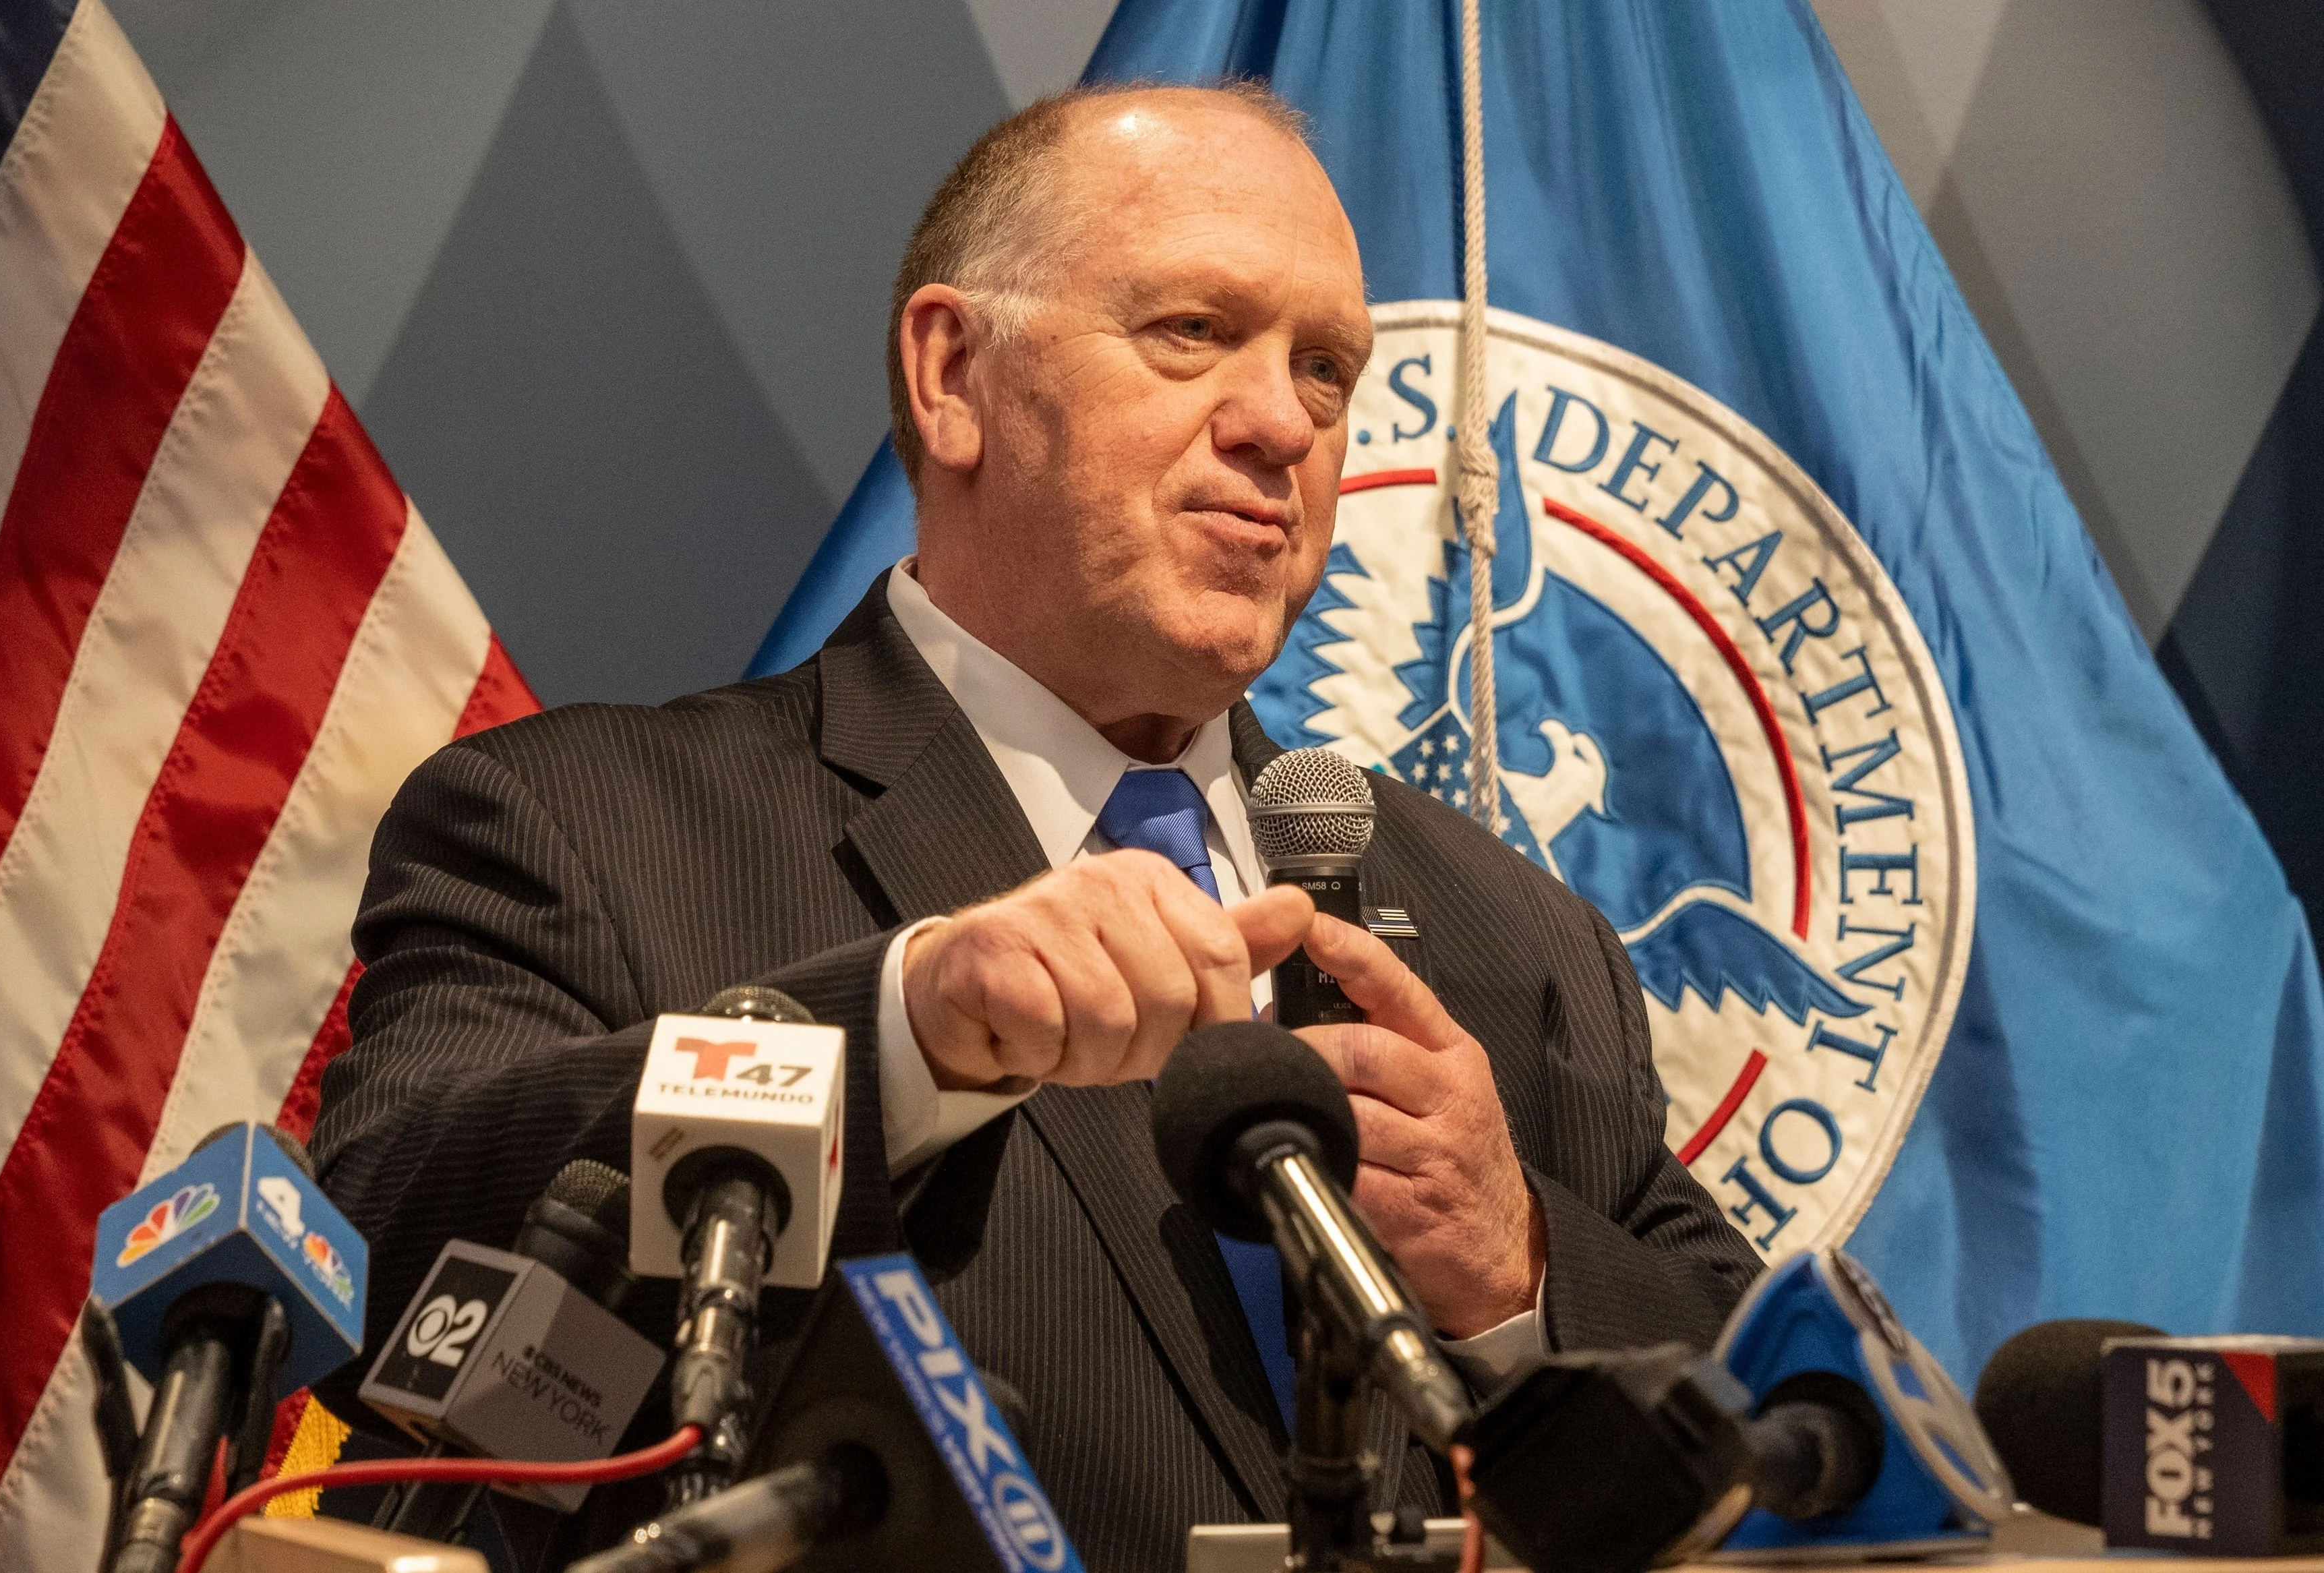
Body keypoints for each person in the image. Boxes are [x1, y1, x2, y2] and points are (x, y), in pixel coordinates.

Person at [313, 80, 1760, 1571]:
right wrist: (906, 1027)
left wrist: (1513, 1269)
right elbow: (381, 1274)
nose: (1282, 423)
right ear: (953, 377)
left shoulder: (1504, 930)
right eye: (1190, 331)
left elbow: (1779, 1428)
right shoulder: (583, 828)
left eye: (1326, 367)